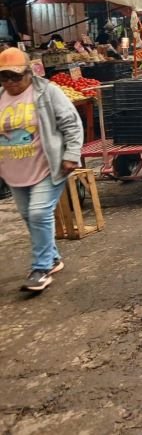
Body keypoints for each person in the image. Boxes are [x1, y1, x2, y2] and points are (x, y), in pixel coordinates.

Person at [0, 48, 84, 292]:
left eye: (16, 76)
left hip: (48, 166)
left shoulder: (47, 92)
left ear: (29, 73)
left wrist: (71, 154)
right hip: (14, 170)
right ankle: (53, 259)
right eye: (4, 77)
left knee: (38, 213)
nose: (10, 82)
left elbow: (71, 123)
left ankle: (41, 268)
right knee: (29, 216)